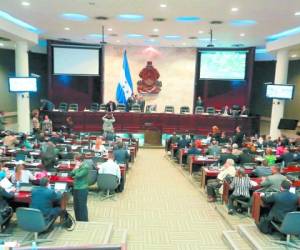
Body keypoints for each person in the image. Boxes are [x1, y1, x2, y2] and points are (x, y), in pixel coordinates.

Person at [70, 156, 89, 221]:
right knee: (76, 205)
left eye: (75, 161)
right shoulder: (77, 166)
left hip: (82, 189)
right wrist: (75, 169)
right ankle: (78, 219)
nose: (75, 162)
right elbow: (71, 174)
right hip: (76, 187)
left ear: (79, 161)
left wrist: (76, 169)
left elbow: (78, 176)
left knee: (82, 206)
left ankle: (84, 220)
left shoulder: (85, 167)